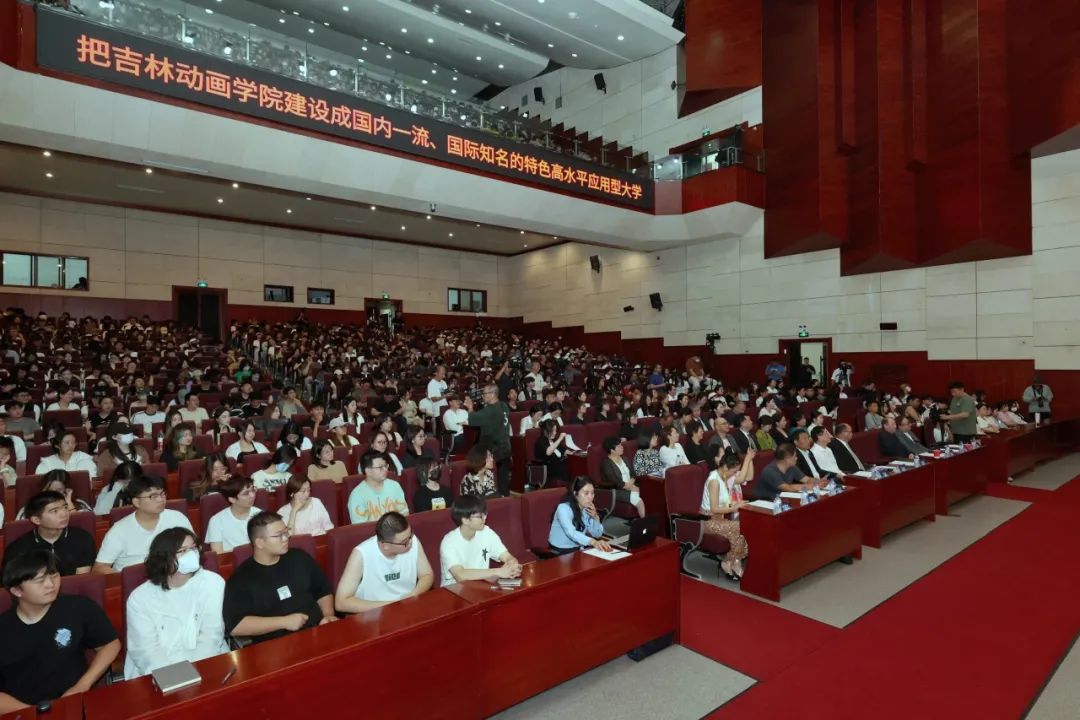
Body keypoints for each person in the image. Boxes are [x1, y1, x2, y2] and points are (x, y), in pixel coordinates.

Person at [0, 551, 120, 713]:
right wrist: (34, 713)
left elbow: (110, 644)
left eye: (54, 575)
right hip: (21, 712)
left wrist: (82, 685)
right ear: (16, 591)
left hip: (74, 703)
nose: (50, 584)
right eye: (40, 581)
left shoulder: (79, 607)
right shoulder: (4, 628)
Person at [123, 527, 228, 679]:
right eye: (183, 551)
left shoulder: (212, 582)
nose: (191, 554)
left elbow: (211, 636)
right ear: (164, 558)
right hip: (157, 671)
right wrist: (174, 679)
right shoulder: (139, 598)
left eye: (193, 548)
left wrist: (195, 674)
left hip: (205, 663)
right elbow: (147, 651)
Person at [223, 511, 336, 645]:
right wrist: (284, 622)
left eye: (286, 532)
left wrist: (328, 616)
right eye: (279, 535)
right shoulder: (241, 579)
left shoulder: (299, 557)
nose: (285, 538)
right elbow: (236, 626)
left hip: (317, 633)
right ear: (259, 543)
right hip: (275, 646)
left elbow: (323, 591)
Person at [334, 511, 434, 613]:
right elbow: (341, 602)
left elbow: (427, 574)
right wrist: (391, 606)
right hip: (373, 613)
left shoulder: (412, 541)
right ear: (385, 546)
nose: (410, 543)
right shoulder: (361, 554)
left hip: (407, 607)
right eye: (404, 542)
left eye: (410, 535)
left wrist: (414, 594)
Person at [93, 476, 193, 572]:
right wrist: (127, 577)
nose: (161, 499)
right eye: (153, 496)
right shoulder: (118, 531)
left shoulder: (177, 518)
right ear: (137, 502)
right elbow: (99, 568)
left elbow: (194, 548)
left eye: (162, 494)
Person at [1, 491, 96, 576]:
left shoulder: (82, 538)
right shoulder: (18, 549)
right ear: (36, 520)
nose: (64, 514)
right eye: (55, 511)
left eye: (65, 507)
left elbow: (81, 579)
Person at [439, 495, 521, 587]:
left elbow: (506, 556)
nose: (485, 518)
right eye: (480, 516)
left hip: (480, 585)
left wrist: (512, 563)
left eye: (484, 513)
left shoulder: (486, 532)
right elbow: (460, 575)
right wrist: (498, 571)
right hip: (454, 589)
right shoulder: (449, 542)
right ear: (465, 520)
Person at [702, 450, 753, 580]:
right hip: (708, 521)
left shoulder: (723, 477)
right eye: (734, 471)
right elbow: (714, 508)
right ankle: (729, 562)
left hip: (721, 519)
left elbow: (725, 504)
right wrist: (734, 507)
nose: (735, 475)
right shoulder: (714, 481)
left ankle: (733, 562)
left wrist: (736, 504)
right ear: (725, 467)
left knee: (746, 528)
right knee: (740, 528)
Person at [464, 384, 512, 496]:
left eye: (485, 393)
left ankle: (489, 495)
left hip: (494, 447)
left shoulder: (491, 410)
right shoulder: (504, 405)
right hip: (505, 445)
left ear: (492, 394)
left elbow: (472, 420)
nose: (483, 395)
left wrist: (470, 407)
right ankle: (504, 497)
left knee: (491, 474)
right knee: (503, 476)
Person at [547, 478, 613, 554]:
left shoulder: (586, 509)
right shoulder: (563, 508)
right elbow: (571, 533)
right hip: (560, 552)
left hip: (578, 550)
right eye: (586, 493)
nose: (590, 497)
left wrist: (595, 517)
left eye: (592, 493)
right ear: (575, 494)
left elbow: (597, 534)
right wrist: (593, 542)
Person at [348, 453, 408, 524]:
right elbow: (361, 527)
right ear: (368, 471)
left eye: (385, 466)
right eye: (380, 467)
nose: (385, 469)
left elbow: (404, 513)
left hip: (397, 528)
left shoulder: (395, 485)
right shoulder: (356, 495)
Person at [206, 477, 261, 553]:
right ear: (232, 499)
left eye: (252, 490)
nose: (252, 495)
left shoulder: (260, 515)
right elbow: (218, 553)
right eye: (246, 493)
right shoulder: (217, 520)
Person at [751, 444, 824, 500]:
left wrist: (819, 482)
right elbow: (788, 488)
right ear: (786, 458)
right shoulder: (770, 471)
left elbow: (807, 479)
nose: (796, 458)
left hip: (782, 498)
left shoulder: (792, 467)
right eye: (794, 456)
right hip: (766, 501)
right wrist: (812, 486)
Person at [598, 436, 645, 518]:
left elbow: (633, 473)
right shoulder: (606, 463)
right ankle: (645, 524)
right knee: (640, 501)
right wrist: (630, 487)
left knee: (649, 495)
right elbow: (614, 481)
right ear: (612, 450)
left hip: (631, 485)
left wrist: (632, 483)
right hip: (617, 490)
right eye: (619, 446)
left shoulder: (624, 458)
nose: (622, 447)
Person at [17, 470, 93, 519]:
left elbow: (83, 524)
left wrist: (69, 503)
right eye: (49, 490)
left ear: (67, 490)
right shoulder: (28, 508)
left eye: (58, 490)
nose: (52, 494)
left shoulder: (80, 505)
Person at [533, 419, 570, 487]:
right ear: (545, 431)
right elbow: (548, 452)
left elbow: (564, 450)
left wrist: (573, 452)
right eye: (553, 430)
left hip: (559, 467)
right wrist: (560, 439)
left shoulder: (553, 440)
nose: (555, 433)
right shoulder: (540, 441)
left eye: (555, 430)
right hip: (547, 469)